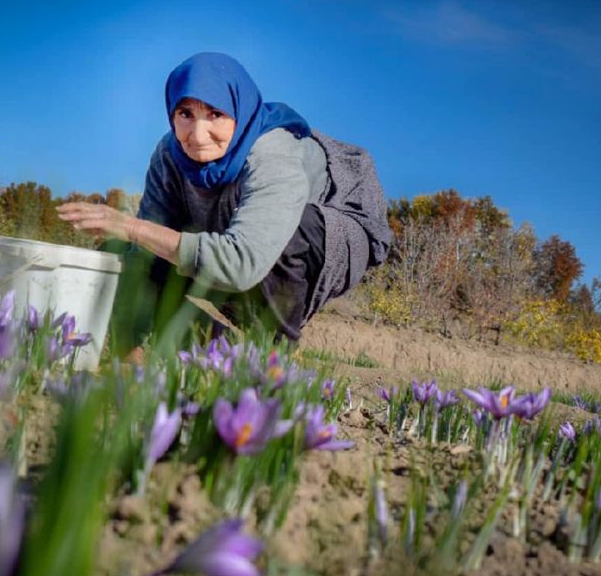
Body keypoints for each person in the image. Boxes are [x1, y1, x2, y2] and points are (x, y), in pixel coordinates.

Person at [56, 52, 391, 352]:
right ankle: (217, 348)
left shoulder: (272, 153)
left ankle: (272, 354)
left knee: (292, 230)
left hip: (322, 237)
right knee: (120, 256)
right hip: (227, 233)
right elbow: (146, 256)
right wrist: (130, 352)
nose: (198, 135)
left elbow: (242, 263)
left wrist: (130, 225)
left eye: (215, 114)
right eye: (185, 114)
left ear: (238, 113)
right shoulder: (170, 153)